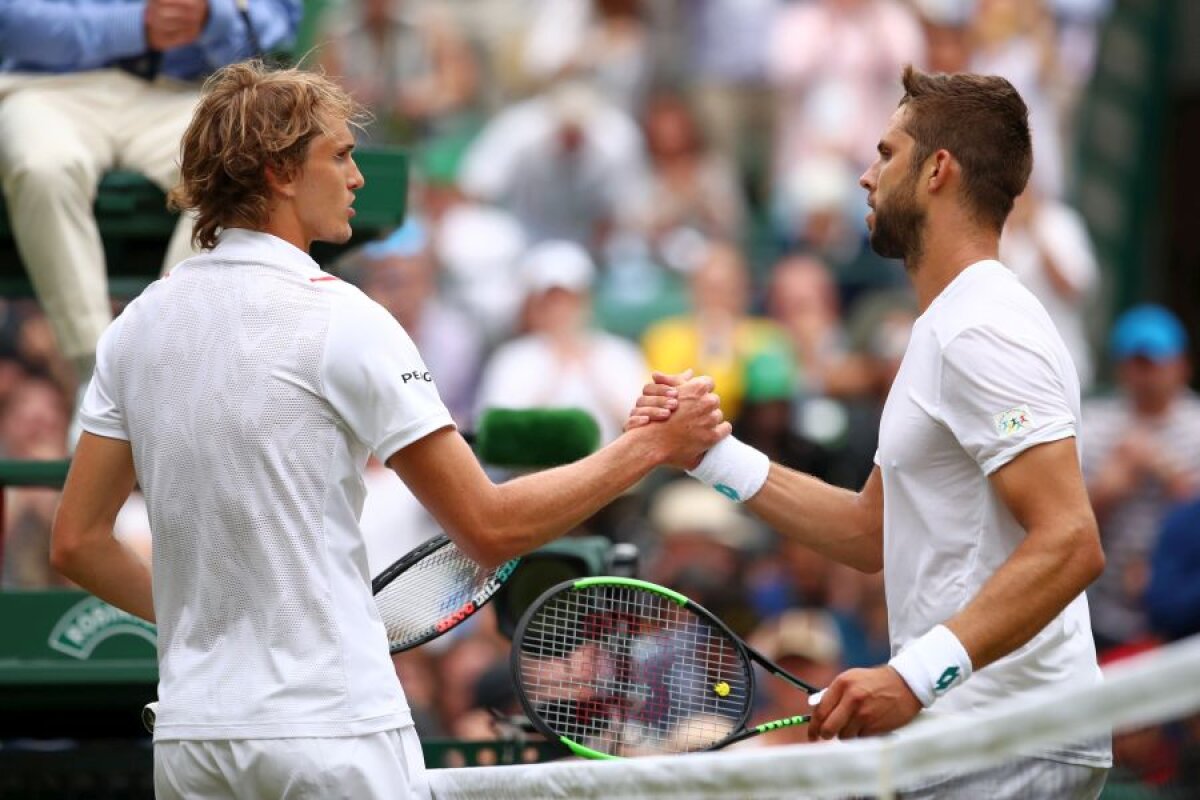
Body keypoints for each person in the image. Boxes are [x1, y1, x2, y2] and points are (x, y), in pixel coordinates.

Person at [48, 61, 727, 800]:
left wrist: (209, 620)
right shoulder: (348, 318)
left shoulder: (135, 326)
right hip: (331, 733)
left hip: (192, 743)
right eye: (338, 156)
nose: (358, 177)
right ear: (279, 172)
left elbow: (77, 543)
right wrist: (649, 447)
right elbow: (491, 527)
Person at [631, 66, 1110, 797]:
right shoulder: (945, 328)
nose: (865, 176)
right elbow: (867, 531)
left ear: (937, 172)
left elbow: (1071, 541)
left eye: (886, 154)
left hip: (1010, 738)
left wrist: (914, 677)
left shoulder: (985, 328)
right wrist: (711, 455)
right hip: (972, 740)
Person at [0, 1, 302, 430]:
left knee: (238, 164)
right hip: (48, 86)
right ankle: (98, 377)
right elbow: (10, 22)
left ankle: (162, 368)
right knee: (44, 166)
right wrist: (135, 26)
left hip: (183, 92)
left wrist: (211, 21)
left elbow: (270, 34)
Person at [1081, 304, 1200, 650]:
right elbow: (1067, 524)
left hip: (1179, 615)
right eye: (1135, 362)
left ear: (1181, 365)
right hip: (1102, 612)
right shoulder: (1096, 425)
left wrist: (1168, 471)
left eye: (1155, 361)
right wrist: (1109, 487)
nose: (1145, 373)